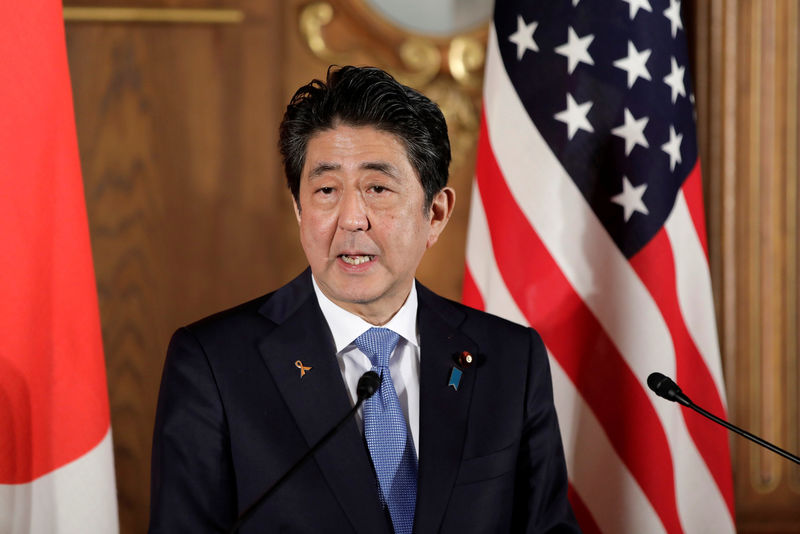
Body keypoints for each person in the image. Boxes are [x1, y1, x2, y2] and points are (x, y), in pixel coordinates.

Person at [149, 65, 580, 533]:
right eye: (326, 190)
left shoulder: (511, 360)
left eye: (377, 189)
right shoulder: (214, 364)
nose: (352, 219)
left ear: (435, 214)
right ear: (298, 209)